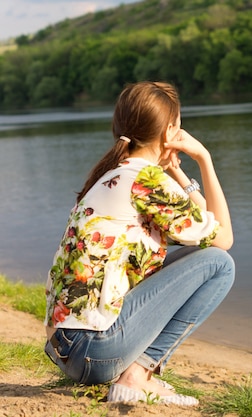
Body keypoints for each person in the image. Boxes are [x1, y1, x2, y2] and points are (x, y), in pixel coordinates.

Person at [44, 81, 235, 406]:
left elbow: (207, 227)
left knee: (200, 256)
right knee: (219, 265)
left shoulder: (111, 175)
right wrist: (204, 158)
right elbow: (224, 239)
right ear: (169, 131)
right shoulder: (146, 181)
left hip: (67, 347)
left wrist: (177, 174)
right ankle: (137, 375)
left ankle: (136, 372)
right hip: (93, 350)